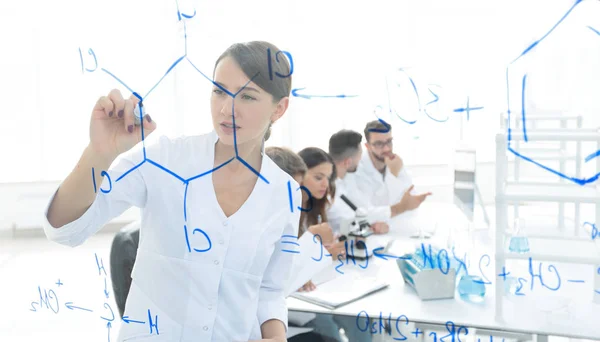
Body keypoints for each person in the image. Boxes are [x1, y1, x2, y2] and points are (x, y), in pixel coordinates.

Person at [43, 41, 300, 342]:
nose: (226, 109)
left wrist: (276, 336)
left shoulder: (286, 193)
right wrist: (99, 153)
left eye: (247, 96)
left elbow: (270, 289)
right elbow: (66, 229)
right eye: (219, 90)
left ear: (279, 108)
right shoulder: (165, 159)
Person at [296, 147, 372, 342]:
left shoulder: (316, 207)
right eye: (318, 177)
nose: (325, 184)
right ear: (300, 176)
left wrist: (331, 249)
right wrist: (321, 253)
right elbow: (288, 262)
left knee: (360, 322)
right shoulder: (287, 209)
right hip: (299, 298)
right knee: (329, 330)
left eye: (329, 178)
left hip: (321, 286)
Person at [327, 129, 431, 235]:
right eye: (360, 155)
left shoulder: (345, 180)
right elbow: (348, 220)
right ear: (348, 162)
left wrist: (371, 226)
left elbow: (363, 210)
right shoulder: (331, 190)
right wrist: (400, 207)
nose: (360, 160)